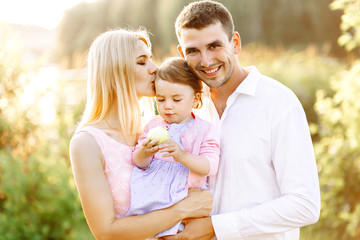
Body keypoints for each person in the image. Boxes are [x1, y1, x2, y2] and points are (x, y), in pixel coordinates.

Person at [163, 1, 321, 240]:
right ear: (181, 53)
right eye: (193, 51)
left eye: (214, 46)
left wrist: (215, 227)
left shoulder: (279, 104)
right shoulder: (182, 110)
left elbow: (304, 205)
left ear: (235, 43)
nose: (205, 61)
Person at [69, 29, 213, 240]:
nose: (155, 69)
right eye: (142, 62)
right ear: (115, 70)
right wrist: (183, 209)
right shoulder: (87, 143)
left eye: (151, 60)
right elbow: (106, 232)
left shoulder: (153, 129)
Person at [126, 57, 220, 237]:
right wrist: (145, 152)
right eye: (161, 100)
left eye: (176, 99)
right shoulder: (153, 125)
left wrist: (182, 156)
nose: (167, 106)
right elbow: (139, 162)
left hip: (185, 195)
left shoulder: (204, 129)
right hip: (154, 199)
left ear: (195, 99)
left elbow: (210, 165)